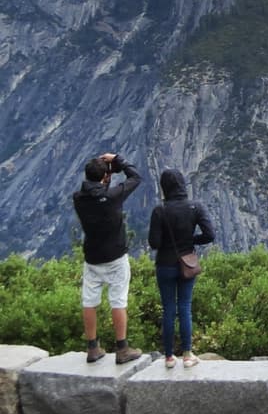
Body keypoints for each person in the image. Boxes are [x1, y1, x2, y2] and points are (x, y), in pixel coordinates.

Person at [73, 152, 145, 364]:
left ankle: (92, 348)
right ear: (106, 178)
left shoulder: (78, 199)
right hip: (115, 256)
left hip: (92, 257)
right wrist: (118, 160)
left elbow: (94, 192)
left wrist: (104, 174)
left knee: (89, 301)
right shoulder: (113, 197)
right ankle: (122, 348)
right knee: (118, 301)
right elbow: (135, 177)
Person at [148, 168, 214, 369]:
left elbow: (154, 243)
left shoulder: (160, 210)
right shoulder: (196, 207)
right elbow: (209, 235)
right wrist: (190, 240)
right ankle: (187, 354)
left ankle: (168, 357)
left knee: (168, 308)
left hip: (165, 264)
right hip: (187, 263)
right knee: (185, 307)